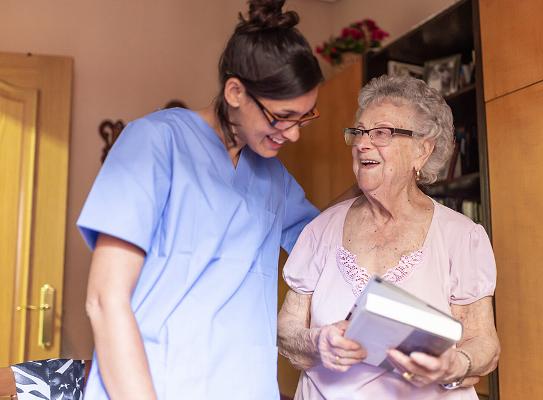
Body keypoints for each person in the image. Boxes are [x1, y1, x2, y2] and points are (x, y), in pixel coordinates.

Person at [77, 1, 324, 399]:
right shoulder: (154, 144)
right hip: (154, 385)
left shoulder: (272, 176)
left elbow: (326, 240)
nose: (293, 134)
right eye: (282, 117)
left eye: (304, 117)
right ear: (235, 92)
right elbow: (105, 299)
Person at [278, 75, 500, 399]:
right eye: (359, 132)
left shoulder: (461, 237)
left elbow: (485, 344)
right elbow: (287, 331)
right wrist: (316, 342)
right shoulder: (320, 230)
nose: (362, 143)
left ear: (422, 151)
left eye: (381, 133)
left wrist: (455, 365)